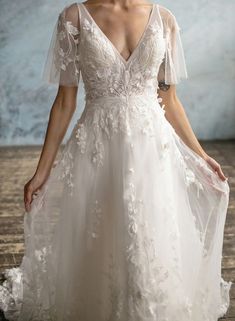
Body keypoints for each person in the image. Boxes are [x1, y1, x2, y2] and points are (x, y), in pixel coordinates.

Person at [0, 1, 232, 320]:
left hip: (152, 149)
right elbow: (64, 103)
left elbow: (169, 98)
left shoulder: (164, 19)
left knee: (151, 233)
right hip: (98, 146)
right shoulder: (73, 18)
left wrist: (201, 154)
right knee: (101, 232)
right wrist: (42, 171)